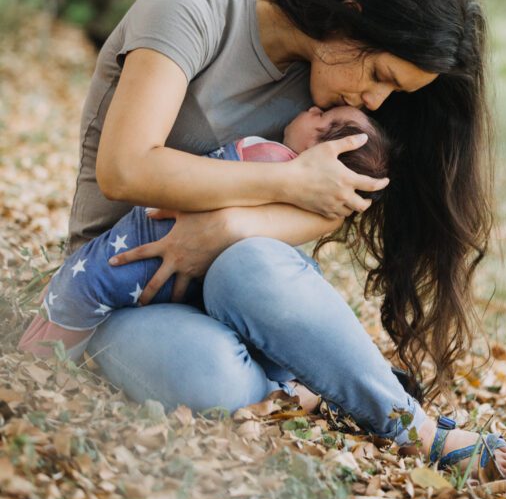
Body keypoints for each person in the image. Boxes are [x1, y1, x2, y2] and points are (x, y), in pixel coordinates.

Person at [33, 0, 506, 486]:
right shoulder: (191, 8)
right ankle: (313, 382)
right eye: (379, 76)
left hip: (246, 287)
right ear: (349, 13)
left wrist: (225, 230)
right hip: (121, 287)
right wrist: (284, 182)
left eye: (393, 92)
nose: (374, 100)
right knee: (213, 381)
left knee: (250, 262)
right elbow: (126, 167)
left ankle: (421, 431)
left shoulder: (331, 86)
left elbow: (331, 205)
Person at [18, 105, 391, 361]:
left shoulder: (271, 158)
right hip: (176, 281)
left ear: (320, 152)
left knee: (87, 287)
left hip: (141, 253)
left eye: (323, 119)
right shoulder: (298, 205)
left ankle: (39, 362)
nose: (313, 109)